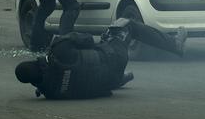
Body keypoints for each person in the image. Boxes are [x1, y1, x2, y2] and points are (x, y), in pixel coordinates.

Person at [15, 19, 188, 99]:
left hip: (107, 82)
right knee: (126, 25)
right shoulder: (59, 50)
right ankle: (174, 44)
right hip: (113, 57)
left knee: (86, 75)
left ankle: (120, 77)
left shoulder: (50, 92)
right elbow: (88, 39)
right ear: (34, 62)